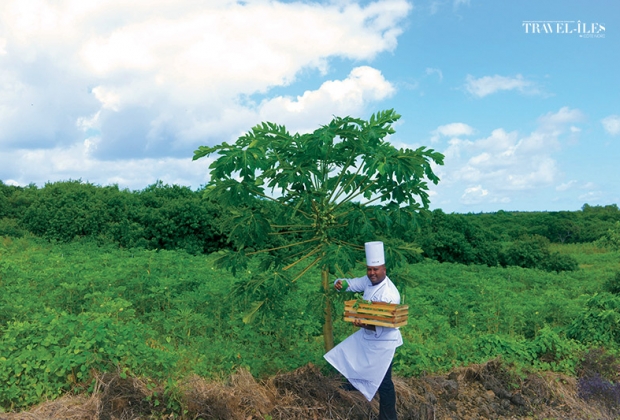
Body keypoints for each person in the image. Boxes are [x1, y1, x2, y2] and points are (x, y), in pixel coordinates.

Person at [324, 241, 402, 420]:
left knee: (384, 382)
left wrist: (364, 324)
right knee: (346, 353)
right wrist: (340, 284)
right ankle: (354, 384)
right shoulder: (368, 280)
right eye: (369, 269)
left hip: (384, 341)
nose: (372, 273)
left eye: (376, 269)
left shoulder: (390, 294)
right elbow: (352, 284)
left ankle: (389, 417)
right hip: (368, 335)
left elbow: (386, 323)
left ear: (384, 269)